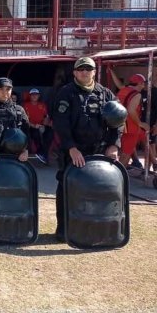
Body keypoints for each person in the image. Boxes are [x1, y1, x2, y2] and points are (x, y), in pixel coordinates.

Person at [52, 57, 123, 242]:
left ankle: (96, 226)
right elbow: (61, 124)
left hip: (99, 150)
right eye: (81, 69)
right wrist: (71, 148)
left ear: (94, 72)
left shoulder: (106, 94)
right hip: (74, 150)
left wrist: (113, 144)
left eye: (88, 69)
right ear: (75, 72)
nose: (84, 72)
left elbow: (118, 120)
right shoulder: (66, 93)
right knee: (66, 185)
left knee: (99, 187)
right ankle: (64, 228)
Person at [116, 74, 150, 169]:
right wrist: (140, 123)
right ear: (139, 83)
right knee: (126, 154)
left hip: (119, 125)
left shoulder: (122, 90)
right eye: (143, 84)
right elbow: (131, 110)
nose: (143, 86)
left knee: (123, 151)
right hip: (131, 127)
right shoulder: (137, 94)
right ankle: (119, 176)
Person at [23, 88, 51, 164]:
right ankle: (41, 153)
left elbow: (46, 116)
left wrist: (45, 123)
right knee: (35, 133)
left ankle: (44, 153)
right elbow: (24, 120)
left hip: (41, 125)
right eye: (33, 95)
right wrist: (34, 125)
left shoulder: (42, 105)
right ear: (30, 96)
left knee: (50, 134)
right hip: (31, 126)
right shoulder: (25, 105)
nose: (34, 96)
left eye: (36, 95)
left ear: (39, 96)